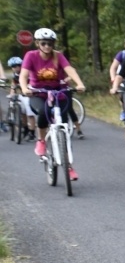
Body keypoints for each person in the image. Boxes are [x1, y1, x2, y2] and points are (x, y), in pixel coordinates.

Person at [19, 28, 86, 181]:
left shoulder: (58, 56)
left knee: (63, 128)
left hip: (59, 93)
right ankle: (41, 140)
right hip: (38, 93)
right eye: (44, 43)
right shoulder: (31, 56)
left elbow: (70, 70)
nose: (47, 46)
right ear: (38, 44)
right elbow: (23, 75)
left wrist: (80, 83)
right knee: (43, 112)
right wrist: (24, 88)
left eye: (50, 43)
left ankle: (68, 166)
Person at [6, 57, 37, 141]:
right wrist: (11, 93)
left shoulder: (27, 73)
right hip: (22, 95)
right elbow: (13, 84)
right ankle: (25, 127)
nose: (15, 68)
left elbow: (33, 82)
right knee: (22, 111)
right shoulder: (15, 75)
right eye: (12, 67)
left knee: (30, 114)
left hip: (29, 95)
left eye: (16, 66)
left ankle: (32, 132)